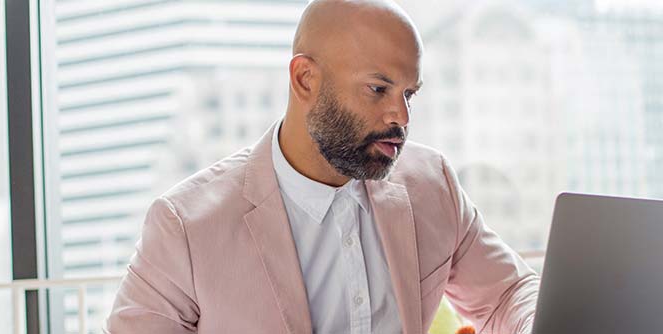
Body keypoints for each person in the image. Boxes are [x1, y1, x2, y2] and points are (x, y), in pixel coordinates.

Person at [105, 1, 538, 333]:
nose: (401, 117)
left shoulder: (431, 184)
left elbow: (511, 293)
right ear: (305, 80)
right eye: (378, 88)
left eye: (409, 94)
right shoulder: (184, 227)